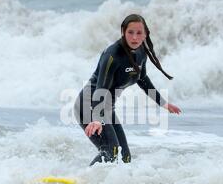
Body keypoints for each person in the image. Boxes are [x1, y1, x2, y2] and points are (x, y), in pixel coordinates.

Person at [74, 14, 181, 166]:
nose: (135, 37)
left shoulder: (142, 52)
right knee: (111, 152)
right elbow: (101, 88)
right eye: (130, 32)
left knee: (125, 158)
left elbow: (143, 80)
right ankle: (84, 181)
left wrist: (163, 104)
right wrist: (97, 119)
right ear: (123, 31)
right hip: (89, 106)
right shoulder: (112, 55)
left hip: (106, 108)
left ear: (145, 34)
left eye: (139, 33)